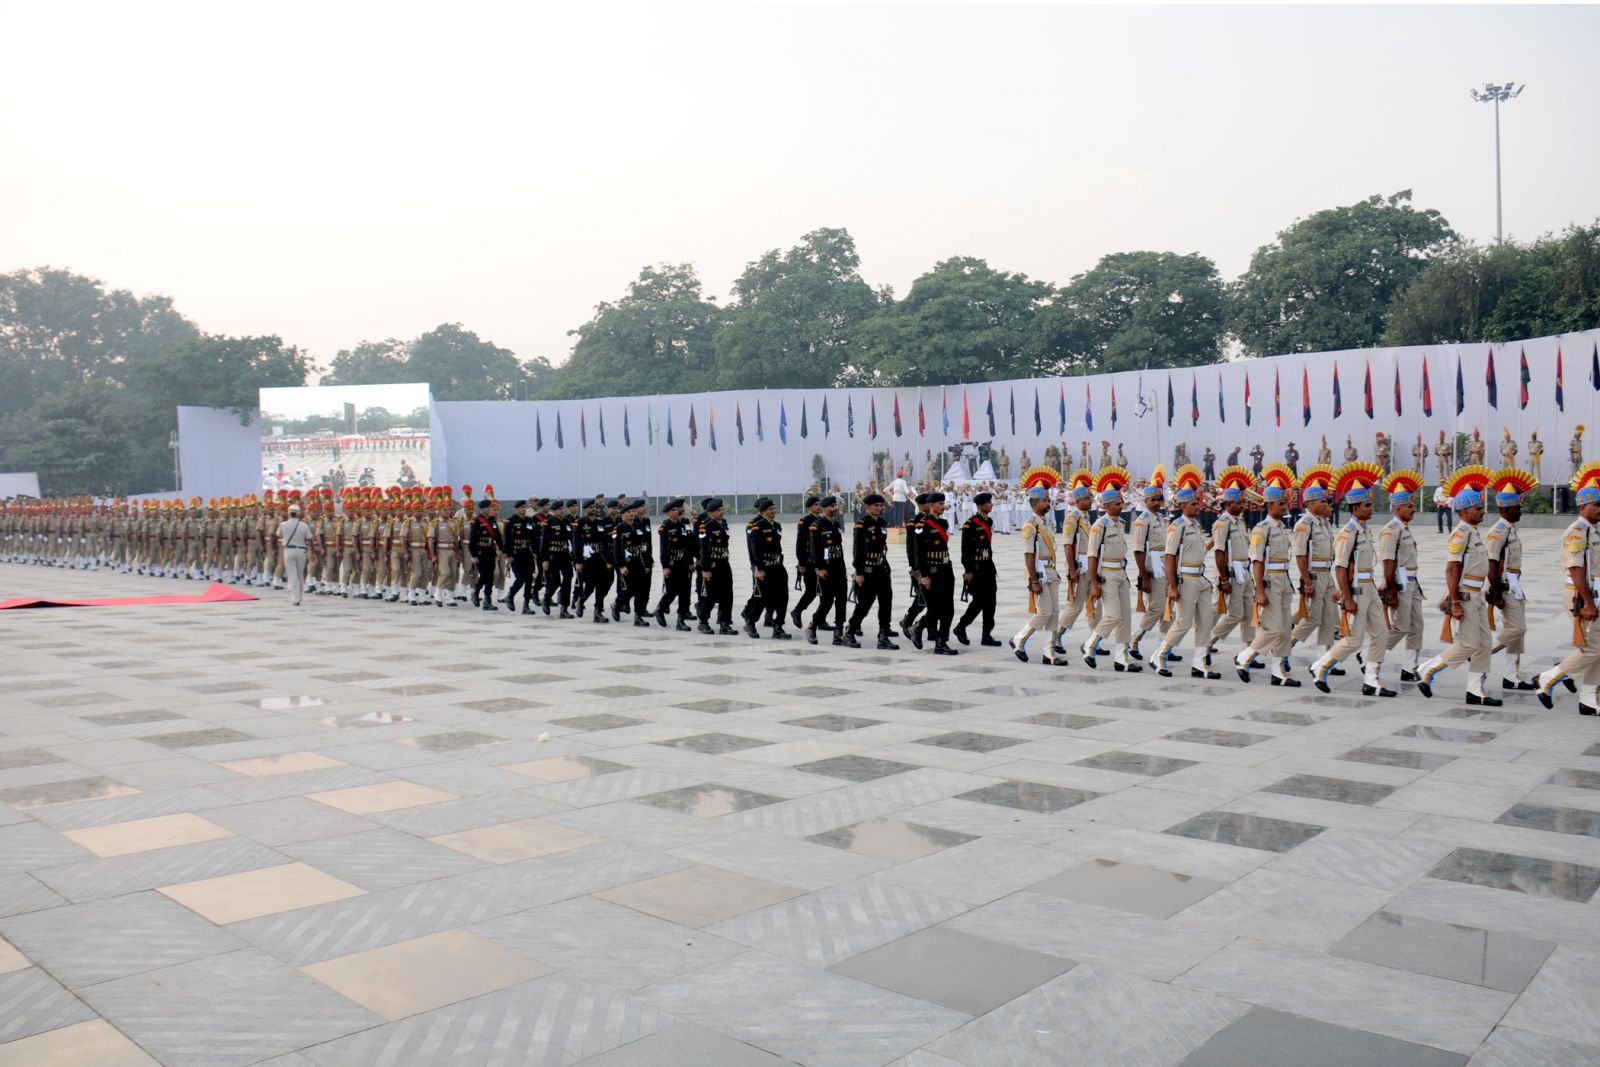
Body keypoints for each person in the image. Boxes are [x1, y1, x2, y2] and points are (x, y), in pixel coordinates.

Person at [1309, 465, 1391, 695]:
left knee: (1382, 634)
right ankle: (1320, 666)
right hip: (1357, 592)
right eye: (1367, 505)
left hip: (1370, 589)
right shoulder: (1348, 533)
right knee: (1354, 640)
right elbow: (1341, 567)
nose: (1371, 508)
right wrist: (1346, 597)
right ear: (1355, 508)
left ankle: (1372, 680)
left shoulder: (1364, 530)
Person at [1417, 470, 1497, 705]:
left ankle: (1475, 690)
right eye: (1477, 508)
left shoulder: (1473, 532)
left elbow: (1464, 569)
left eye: (1481, 507)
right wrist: (1454, 601)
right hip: (1466, 598)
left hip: (1476, 594)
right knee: (1469, 644)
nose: (1481, 511)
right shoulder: (1460, 533)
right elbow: (1452, 569)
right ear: (1463, 511)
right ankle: (1428, 670)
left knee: (1484, 643)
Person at [1538, 464, 1600, 715]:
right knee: (1592, 648)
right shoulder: (1576, 531)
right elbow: (1576, 569)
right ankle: (1548, 678)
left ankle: (1588, 698)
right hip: (1579, 595)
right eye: (1596, 504)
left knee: (1595, 648)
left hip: (1591, 594)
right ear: (1582, 506)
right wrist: (1588, 602)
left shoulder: (1592, 530)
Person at [1232, 477, 1299, 686]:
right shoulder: (1262, 528)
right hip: (1270, 582)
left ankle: (1278, 672)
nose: (1285, 506)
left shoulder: (1280, 526)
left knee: (1285, 629)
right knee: (1273, 628)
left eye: (1285, 503)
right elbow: (1257, 561)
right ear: (1269, 505)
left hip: (1284, 582)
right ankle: (1244, 658)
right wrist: (1259, 590)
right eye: (1281, 503)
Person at [1154, 477, 1219, 678]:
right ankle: (1160, 655)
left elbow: (1199, 551)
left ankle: (1199, 664)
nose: (1197, 506)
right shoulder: (1177, 525)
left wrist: (1215, 539)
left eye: (1197, 503)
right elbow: (1170, 557)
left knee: (1205, 622)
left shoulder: (1196, 524)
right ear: (1182, 505)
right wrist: (1172, 587)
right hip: (1186, 580)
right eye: (1193, 504)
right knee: (1184, 622)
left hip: (1200, 578)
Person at [1080, 474, 1140, 672]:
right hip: (1106, 574)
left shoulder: (1120, 523)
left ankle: (1121, 658)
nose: (1121, 505)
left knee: (1125, 617)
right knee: (1113, 615)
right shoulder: (1100, 526)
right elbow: (1092, 556)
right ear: (1106, 505)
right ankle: (1091, 645)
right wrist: (1094, 584)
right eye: (1116, 503)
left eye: (1121, 502)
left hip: (1121, 573)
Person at [1485, 469, 1536, 689]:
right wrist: (1496, 593)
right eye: (1516, 507)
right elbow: (1491, 563)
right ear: (1504, 508)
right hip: (1504, 586)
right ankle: (1484, 651)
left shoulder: (1512, 529)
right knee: (1517, 629)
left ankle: (1511, 676)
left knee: (1518, 635)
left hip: (1515, 585)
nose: (1520, 511)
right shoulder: (1498, 531)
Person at [1378, 471, 1425, 682]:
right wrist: (1392, 589)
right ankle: (1371, 653)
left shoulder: (1404, 529)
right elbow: (1388, 562)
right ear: (1397, 508)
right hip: (1400, 583)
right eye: (1409, 506)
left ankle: (1410, 666)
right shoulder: (1391, 530)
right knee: (1402, 626)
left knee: (1417, 625)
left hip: (1412, 583)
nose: (1413, 510)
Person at [1207, 473, 1257, 672]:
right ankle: (1208, 642)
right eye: (1239, 502)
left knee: (1248, 614)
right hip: (1231, 573)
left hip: (1244, 571)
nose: (1243, 505)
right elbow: (1219, 551)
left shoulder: (1238, 521)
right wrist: (1224, 578)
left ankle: (1248, 651)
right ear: (1228, 504)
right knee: (1235, 614)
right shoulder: (1223, 522)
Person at [1012, 486, 1064, 665]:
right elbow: (1029, 555)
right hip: (1038, 571)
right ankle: (1019, 639)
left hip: (1050, 570)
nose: (1048, 503)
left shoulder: (1046, 523)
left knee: (1055, 612)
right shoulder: (1030, 526)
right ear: (1034, 503)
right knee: (1045, 612)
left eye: (1048, 500)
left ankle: (1049, 652)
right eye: (1044, 501)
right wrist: (1033, 580)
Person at [1129, 481, 1176, 663]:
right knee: (1156, 608)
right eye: (1152, 500)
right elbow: (1138, 550)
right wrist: (1144, 576)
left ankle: (1165, 646)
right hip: (1152, 567)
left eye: (1159, 499)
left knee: (1168, 608)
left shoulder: (1162, 519)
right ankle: (1134, 639)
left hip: (1166, 566)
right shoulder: (1142, 522)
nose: (1156, 503)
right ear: (1144, 500)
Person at [847, 492, 898, 650]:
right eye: (876, 505)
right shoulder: (862, 524)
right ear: (868, 507)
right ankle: (849, 631)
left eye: (881, 505)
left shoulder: (882, 522)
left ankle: (883, 635)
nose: (880, 507)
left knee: (886, 601)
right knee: (864, 604)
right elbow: (858, 550)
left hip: (881, 568)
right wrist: (859, 572)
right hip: (867, 570)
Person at [953, 491, 1000, 646]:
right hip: (976, 568)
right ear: (980, 506)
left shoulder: (988, 521)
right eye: (988, 503)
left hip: (988, 566)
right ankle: (961, 626)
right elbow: (965, 549)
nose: (991, 504)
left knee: (991, 601)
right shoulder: (970, 524)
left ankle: (986, 634)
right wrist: (968, 571)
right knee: (979, 601)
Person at [741, 497, 790, 639]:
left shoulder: (776, 525)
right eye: (770, 509)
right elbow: (754, 550)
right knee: (761, 598)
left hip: (778, 566)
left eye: (774, 508)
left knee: (783, 597)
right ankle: (750, 623)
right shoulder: (757, 525)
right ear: (762, 511)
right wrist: (758, 568)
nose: (774, 511)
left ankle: (778, 626)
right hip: (765, 567)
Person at [916, 491, 957, 654]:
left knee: (949, 608)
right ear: (931, 506)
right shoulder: (923, 525)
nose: (942, 506)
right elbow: (919, 552)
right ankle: (918, 627)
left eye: (943, 503)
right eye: (939, 504)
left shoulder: (942, 523)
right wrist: (924, 575)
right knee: (937, 609)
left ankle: (941, 642)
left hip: (946, 568)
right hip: (932, 571)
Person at [807, 495, 846, 645]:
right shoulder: (817, 525)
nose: (835, 508)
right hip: (826, 568)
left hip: (838, 566)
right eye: (832, 506)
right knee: (827, 601)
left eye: (835, 506)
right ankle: (812, 627)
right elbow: (815, 549)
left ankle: (838, 632)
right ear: (824, 508)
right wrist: (819, 568)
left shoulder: (835, 523)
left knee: (841, 600)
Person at [653, 499, 695, 631]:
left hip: (684, 563)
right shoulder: (665, 527)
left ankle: (680, 620)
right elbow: (663, 549)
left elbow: (689, 544)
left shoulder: (685, 523)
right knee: (672, 591)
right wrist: (665, 566)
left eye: (677, 509)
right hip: (672, 564)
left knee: (685, 593)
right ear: (667, 513)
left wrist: (691, 562)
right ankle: (660, 608)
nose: (676, 511)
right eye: (673, 510)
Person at [697, 498, 737, 635]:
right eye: (718, 510)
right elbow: (703, 549)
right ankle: (703, 622)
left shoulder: (723, 523)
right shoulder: (705, 526)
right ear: (710, 513)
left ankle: (725, 623)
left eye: (722, 509)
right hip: (712, 567)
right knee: (710, 596)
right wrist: (705, 569)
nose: (721, 512)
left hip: (724, 564)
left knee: (727, 595)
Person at [790, 495, 821, 630]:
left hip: (820, 561)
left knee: (824, 592)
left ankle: (821, 619)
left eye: (819, 504)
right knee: (811, 591)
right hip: (808, 562)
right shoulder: (805, 521)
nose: (818, 507)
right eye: (815, 505)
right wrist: (801, 563)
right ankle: (797, 610)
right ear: (809, 507)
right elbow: (800, 543)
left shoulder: (821, 519)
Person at [466, 498, 502, 612]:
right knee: (485, 574)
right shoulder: (477, 522)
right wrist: (473, 555)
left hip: (491, 552)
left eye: (490, 507)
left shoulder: (492, 521)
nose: (490, 509)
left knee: (490, 577)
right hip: (480, 553)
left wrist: (504, 550)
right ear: (482, 509)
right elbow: (472, 540)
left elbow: (498, 538)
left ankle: (487, 601)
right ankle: (476, 589)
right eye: (488, 508)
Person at [277, 501, 314, 606]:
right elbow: (310, 538)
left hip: (289, 550)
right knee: (299, 574)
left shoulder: (283, 524)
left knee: (292, 575)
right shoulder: (304, 525)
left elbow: (278, 535)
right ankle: (300, 596)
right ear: (298, 513)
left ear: (289, 513)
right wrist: (312, 552)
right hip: (301, 550)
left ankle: (295, 598)